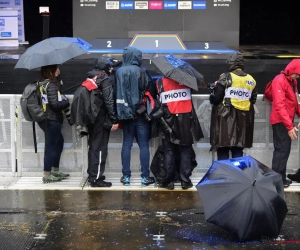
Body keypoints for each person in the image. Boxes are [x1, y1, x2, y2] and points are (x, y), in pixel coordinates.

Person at [70, 57, 119, 187]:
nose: (112, 69)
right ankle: (97, 178)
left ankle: (92, 174)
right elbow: (109, 101)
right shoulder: (105, 80)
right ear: (106, 68)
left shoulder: (92, 77)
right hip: (101, 119)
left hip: (91, 117)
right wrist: (114, 119)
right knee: (100, 148)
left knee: (93, 146)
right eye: (110, 67)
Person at [154, 76, 204, 190]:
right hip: (186, 119)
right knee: (185, 151)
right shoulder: (188, 81)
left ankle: (169, 182)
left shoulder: (160, 81)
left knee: (169, 151)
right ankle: (185, 181)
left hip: (167, 120)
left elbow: (158, 96)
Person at [115, 46, 155, 187]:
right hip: (140, 114)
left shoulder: (118, 72)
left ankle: (126, 177)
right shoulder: (142, 72)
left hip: (125, 115)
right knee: (144, 146)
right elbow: (151, 91)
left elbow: (115, 92)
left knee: (126, 145)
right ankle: (145, 177)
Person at [209, 52, 257, 160]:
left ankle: (225, 175)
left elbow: (216, 98)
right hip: (243, 120)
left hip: (225, 119)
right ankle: (237, 174)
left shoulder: (225, 77)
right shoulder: (251, 79)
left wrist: (212, 93)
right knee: (238, 149)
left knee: (223, 148)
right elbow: (253, 99)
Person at [269, 59, 300, 188]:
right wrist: (289, 126)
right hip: (281, 120)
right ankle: (277, 180)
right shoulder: (280, 80)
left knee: (283, 150)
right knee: (282, 150)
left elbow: (296, 102)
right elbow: (279, 105)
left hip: (286, 120)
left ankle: (280, 178)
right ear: (291, 70)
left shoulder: (292, 82)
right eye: (297, 73)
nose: (298, 76)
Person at [38, 65, 70, 183]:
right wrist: (66, 103)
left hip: (46, 119)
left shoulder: (42, 84)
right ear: (50, 71)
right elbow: (55, 105)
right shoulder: (50, 86)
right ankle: (47, 175)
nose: (59, 71)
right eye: (56, 69)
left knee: (58, 142)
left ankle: (55, 171)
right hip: (51, 120)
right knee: (51, 147)